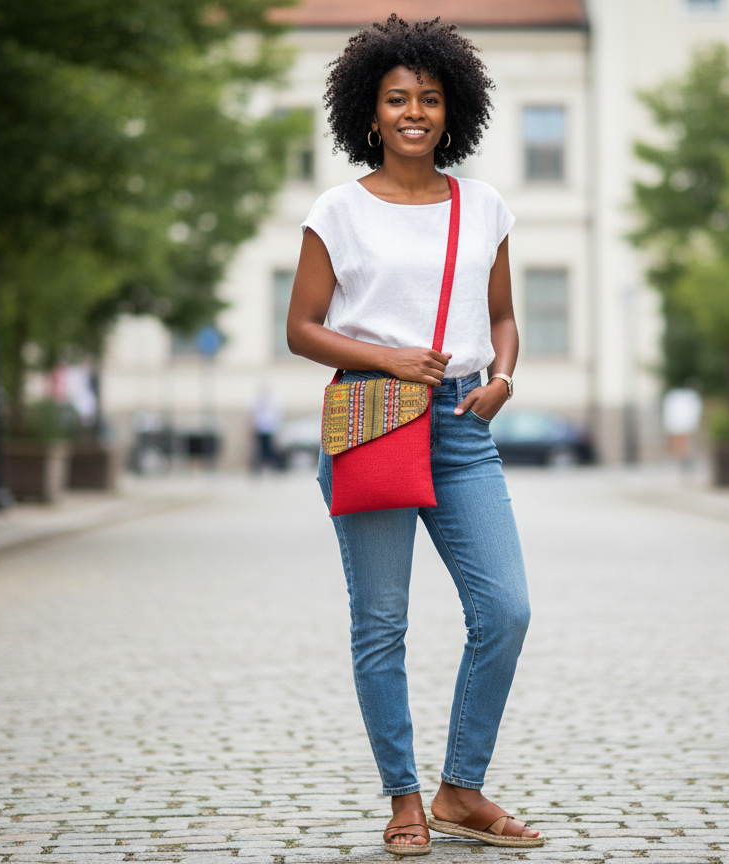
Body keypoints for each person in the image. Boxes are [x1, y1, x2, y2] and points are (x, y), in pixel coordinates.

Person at [286, 15, 541, 857]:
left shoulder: (485, 205)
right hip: (370, 422)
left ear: (452, 109)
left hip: (463, 425)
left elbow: (501, 316)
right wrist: (389, 359)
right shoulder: (338, 209)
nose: (413, 112)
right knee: (382, 622)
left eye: (429, 99)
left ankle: (459, 790)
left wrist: (503, 377)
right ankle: (403, 797)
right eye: (397, 98)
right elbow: (302, 328)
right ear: (369, 112)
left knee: (504, 610)